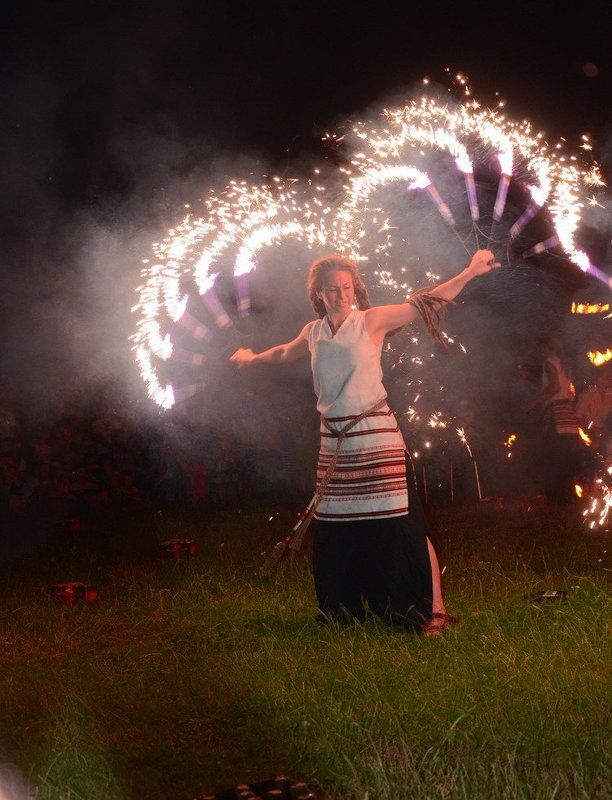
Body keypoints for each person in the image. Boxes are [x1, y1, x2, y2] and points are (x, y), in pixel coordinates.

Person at [231, 249, 499, 634]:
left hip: (376, 437)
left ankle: (431, 610)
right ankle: (345, 612)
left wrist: (470, 271)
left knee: (403, 523)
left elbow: (428, 302)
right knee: (341, 526)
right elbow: (283, 353)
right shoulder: (314, 332)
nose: (341, 295)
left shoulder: (370, 321)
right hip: (335, 443)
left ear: (354, 289)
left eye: (346, 287)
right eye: (332, 290)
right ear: (318, 294)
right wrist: (252, 358)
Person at [524, 337, 581, 502]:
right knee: (564, 456)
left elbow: (554, 387)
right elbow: (570, 391)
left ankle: (556, 496)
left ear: (546, 349)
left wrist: (532, 404)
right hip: (568, 414)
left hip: (557, 414)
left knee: (552, 455)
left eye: (541, 349)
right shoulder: (565, 364)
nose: (540, 353)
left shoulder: (549, 362)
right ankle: (567, 495)